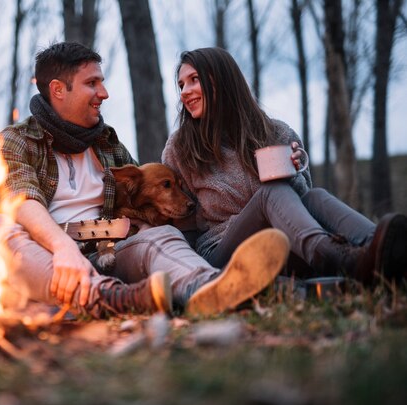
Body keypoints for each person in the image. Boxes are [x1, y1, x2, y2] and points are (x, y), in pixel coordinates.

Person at [0, 41, 292, 318]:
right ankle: (116, 297)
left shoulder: (107, 143)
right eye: (92, 83)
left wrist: (148, 221)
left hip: (107, 255)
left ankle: (212, 287)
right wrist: (62, 247)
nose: (104, 93)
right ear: (59, 90)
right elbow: (20, 198)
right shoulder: (17, 141)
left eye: (102, 81)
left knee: (159, 237)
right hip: (46, 261)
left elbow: (147, 191)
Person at [162, 47, 407, 285]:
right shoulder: (180, 148)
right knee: (271, 194)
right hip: (222, 253)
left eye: (194, 79)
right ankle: (339, 258)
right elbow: (184, 226)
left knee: (316, 197)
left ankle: (386, 247)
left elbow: (301, 204)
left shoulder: (275, 132)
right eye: (181, 84)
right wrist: (195, 278)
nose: (185, 91)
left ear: (225, 80)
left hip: (288, 242)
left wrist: (294, 171)